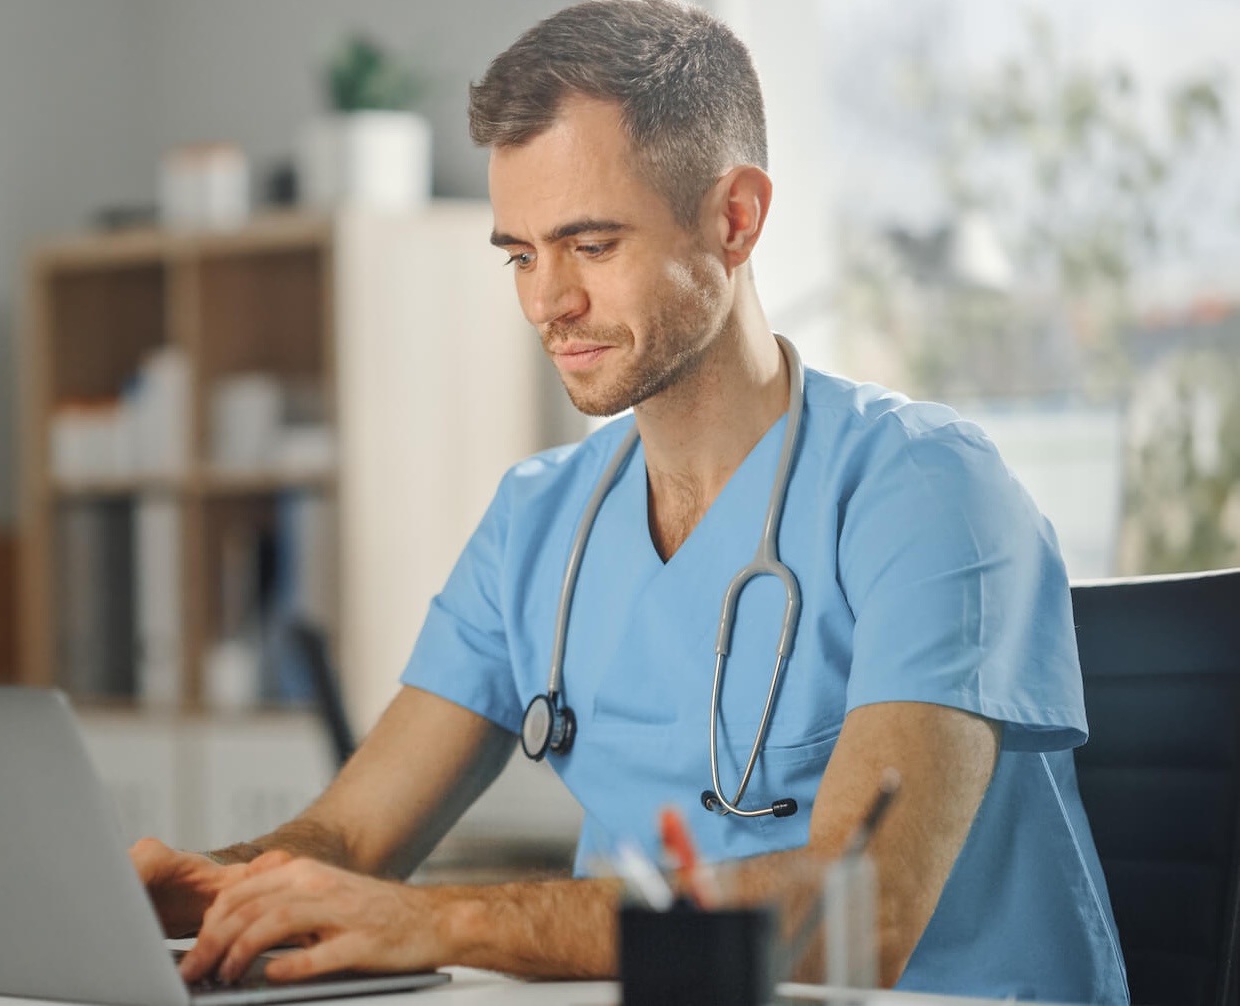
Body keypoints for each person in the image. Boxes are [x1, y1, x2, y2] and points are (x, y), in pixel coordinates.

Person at [132, 2, 1128, 1001]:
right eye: (520, 253)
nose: (543, 301)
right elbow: (349, 834)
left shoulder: (928, 491)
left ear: (734, 218)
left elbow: (852, 918)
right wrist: (222, 888)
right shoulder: (539, 520)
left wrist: (443, 918)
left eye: (590, 245)